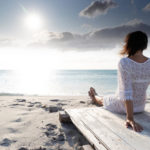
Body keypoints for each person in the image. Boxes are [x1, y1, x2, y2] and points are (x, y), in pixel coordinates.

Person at [88, 31, 150, 132]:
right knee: (111, 96)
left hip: (123, 107)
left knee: (104, 100)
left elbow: (127, 92)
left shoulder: (124, 62)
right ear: (144, 45)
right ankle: (95, 94)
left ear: (129, 44)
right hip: (141, 106)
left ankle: (94, 96)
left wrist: (130, 118)